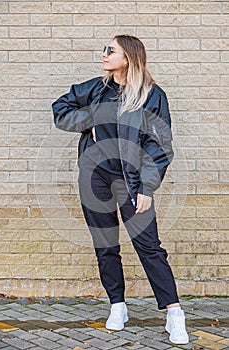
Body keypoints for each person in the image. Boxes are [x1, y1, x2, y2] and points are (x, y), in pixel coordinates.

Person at [52, 35, 189, 345]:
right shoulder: (95, 88)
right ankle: (118, 306)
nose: (104, 54)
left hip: (132, 181)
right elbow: (60, 109)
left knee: (149, 246)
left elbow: (160, 146)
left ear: (128, 57)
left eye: (110, 50)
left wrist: (147, 188)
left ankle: (174, 313)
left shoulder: (152, 95)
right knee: (106, 244)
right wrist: (91, 118)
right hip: (94, 177)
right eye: (105, 49)